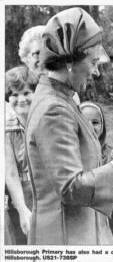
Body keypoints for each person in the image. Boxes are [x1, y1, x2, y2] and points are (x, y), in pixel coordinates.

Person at [25, 7, 113, 245]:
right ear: (70, 61)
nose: (97, 72)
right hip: (66, 237)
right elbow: (70, 187)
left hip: (82, 230)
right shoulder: (53, 108)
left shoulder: (61, 98)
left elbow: (83, 169)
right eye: (94, 62)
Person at [5, 66, 38, 244]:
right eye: (14, 95)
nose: (21, 99)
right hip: (23, 194)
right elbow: (10, 172)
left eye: (26, 93)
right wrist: (22, 210)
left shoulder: (44, 121)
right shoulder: (8, 127)